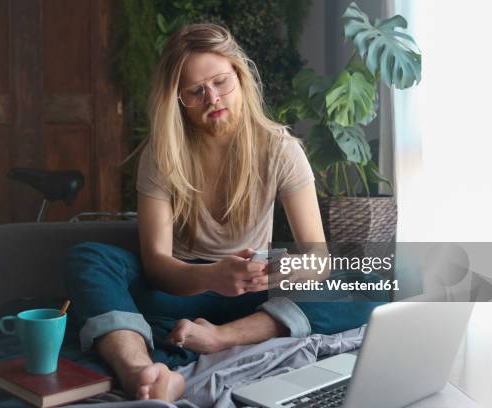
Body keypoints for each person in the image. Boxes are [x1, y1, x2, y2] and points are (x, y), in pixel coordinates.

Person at [64, 23, 377, 402]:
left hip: (254, 294)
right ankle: (140, 374)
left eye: (220, 82)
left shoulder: (281, 149)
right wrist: (211, 275)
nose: (212, 98)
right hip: (181, 288)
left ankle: (219, 337)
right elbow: (156, 264)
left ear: (240, 77)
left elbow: (318, 258)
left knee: (362, 282)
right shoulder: (162, 154)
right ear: (177, 99)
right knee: (89, 258)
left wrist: (288, 268)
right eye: (195, 92)